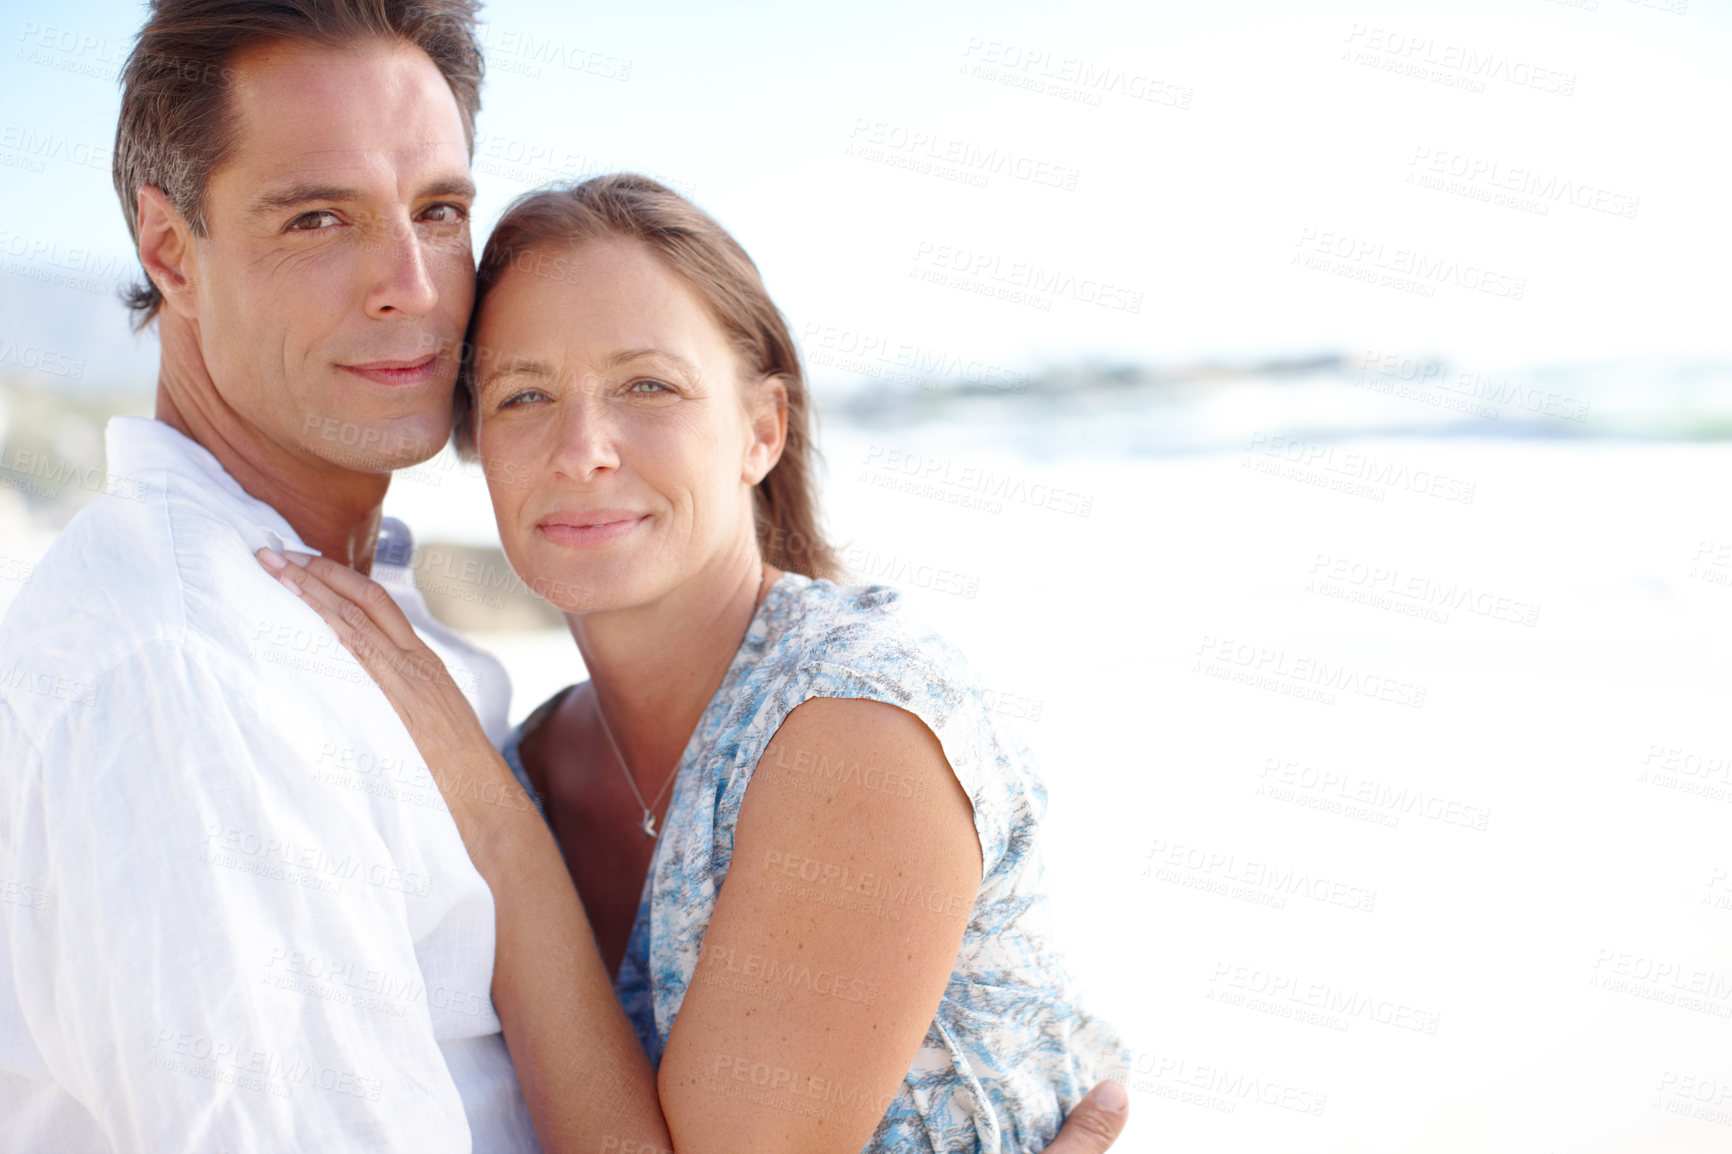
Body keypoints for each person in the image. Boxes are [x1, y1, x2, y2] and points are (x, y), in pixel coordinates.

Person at [0, 1, 1129, 1150]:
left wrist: (505, 832)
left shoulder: (452, 688)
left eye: (438, 211)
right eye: (318, 218)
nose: (409, 283)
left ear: (762, 426)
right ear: (166, 249)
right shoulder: (190, 675)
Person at [261, 173, 1126, 1153]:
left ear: (762, 429)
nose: (582, 448)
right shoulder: (537, 756)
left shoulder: (858, 725)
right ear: (477, 445)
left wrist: (505, 843)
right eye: (524, 394)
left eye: (648, 386)